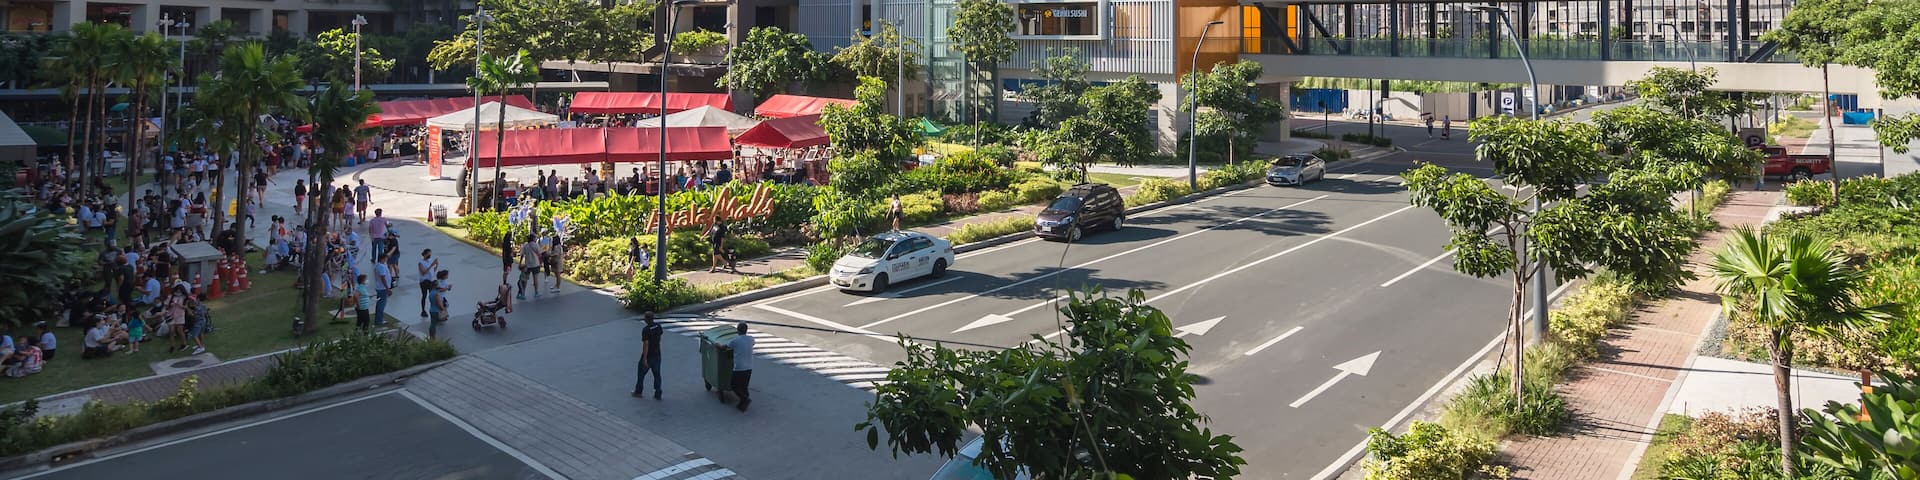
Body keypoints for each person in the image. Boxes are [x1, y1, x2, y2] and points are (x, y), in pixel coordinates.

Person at [632, 313, 664, 400]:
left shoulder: (646, 330)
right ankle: (658, 393)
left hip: (649, 355)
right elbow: (659, 337)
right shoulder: (658, 326)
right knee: (657, 374)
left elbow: (646, 344)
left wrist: (645, 358)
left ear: (646, 319)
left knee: (641, 374)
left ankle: (638, 391)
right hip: (657, 354)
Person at [729, 322, 755, 412]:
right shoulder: (751, 339)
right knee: (744, 386)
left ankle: (745, 399)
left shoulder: (735, 341)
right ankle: (743, 403)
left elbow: (726, 347)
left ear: (738, 330)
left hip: (739, 368)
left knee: (734, 385)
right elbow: (752, 344)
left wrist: (717, 345)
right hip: (749, 367)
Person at [372, 252, 393, 327]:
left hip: (381, 288)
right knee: (381, 305)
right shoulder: (381, 266)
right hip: (382, 288)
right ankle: (379, 320)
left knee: (380, 304)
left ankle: (379, 319)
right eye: (386, 258)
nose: (387, 260)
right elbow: (383, 277)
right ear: (383, 258)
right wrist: (388, 288)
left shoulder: (380, 265)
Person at [518, 234, 541, 300]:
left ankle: (523, 293)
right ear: (533, 238)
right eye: (535, 237)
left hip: (527, 264)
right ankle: (536, 292)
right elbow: (539, 253)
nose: (536, 238)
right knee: (535, 278)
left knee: (525, 279)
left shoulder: (525, 245)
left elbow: (522, 255)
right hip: (535, 264)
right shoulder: (536, 245)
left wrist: (520, 263)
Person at [417, 248, 438, 317]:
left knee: (432, 295)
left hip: (430, 281)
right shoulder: (421, 263)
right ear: (425, 254)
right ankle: (423, 310)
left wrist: (436, 265)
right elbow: (423, 272)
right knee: (424, 295)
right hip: (424, 282)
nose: (430, 255)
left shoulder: (430, 261)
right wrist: (432, 265)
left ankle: (434, 309)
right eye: (429, 254)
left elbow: (432, 271)